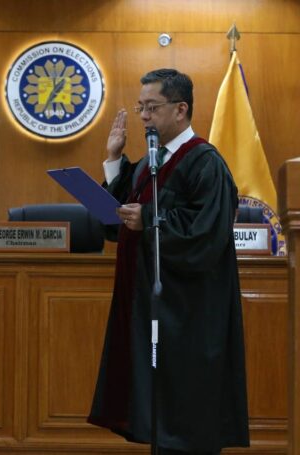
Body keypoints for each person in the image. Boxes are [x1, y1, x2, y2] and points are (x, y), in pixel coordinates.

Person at [87, 69, 249, 454]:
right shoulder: (149, 164)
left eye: (152, 107)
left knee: (187, 414)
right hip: (152, 306)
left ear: (181, 110)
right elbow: (121, 223)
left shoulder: (205, 162)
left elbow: (205, 234)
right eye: (141, 107)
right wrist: (114, 161)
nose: (143, 116)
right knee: (161, 411)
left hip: (189, 312)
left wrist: (149, 220)